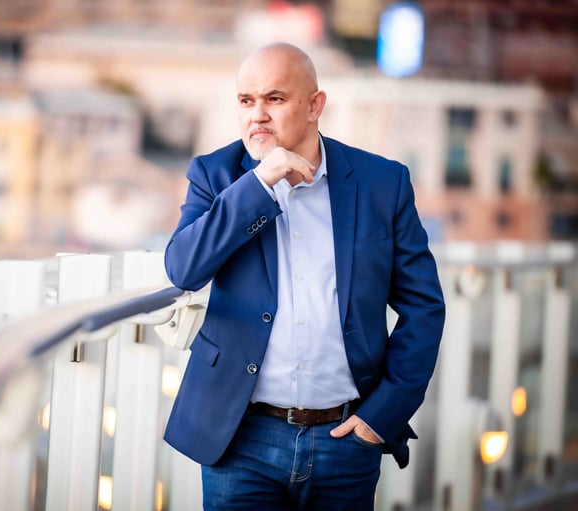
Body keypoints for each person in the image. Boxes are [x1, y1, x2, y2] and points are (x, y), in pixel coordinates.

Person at [162, 42, 446, 510]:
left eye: (274, 99)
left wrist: (383, 416)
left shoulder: (382, 183)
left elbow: (424, 307)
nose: (257, 115)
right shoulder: (215, 175)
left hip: (347, 438)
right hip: (239, 440)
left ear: (315, 105)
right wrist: (257, 185)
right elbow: (183, 268)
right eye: (246, 101)